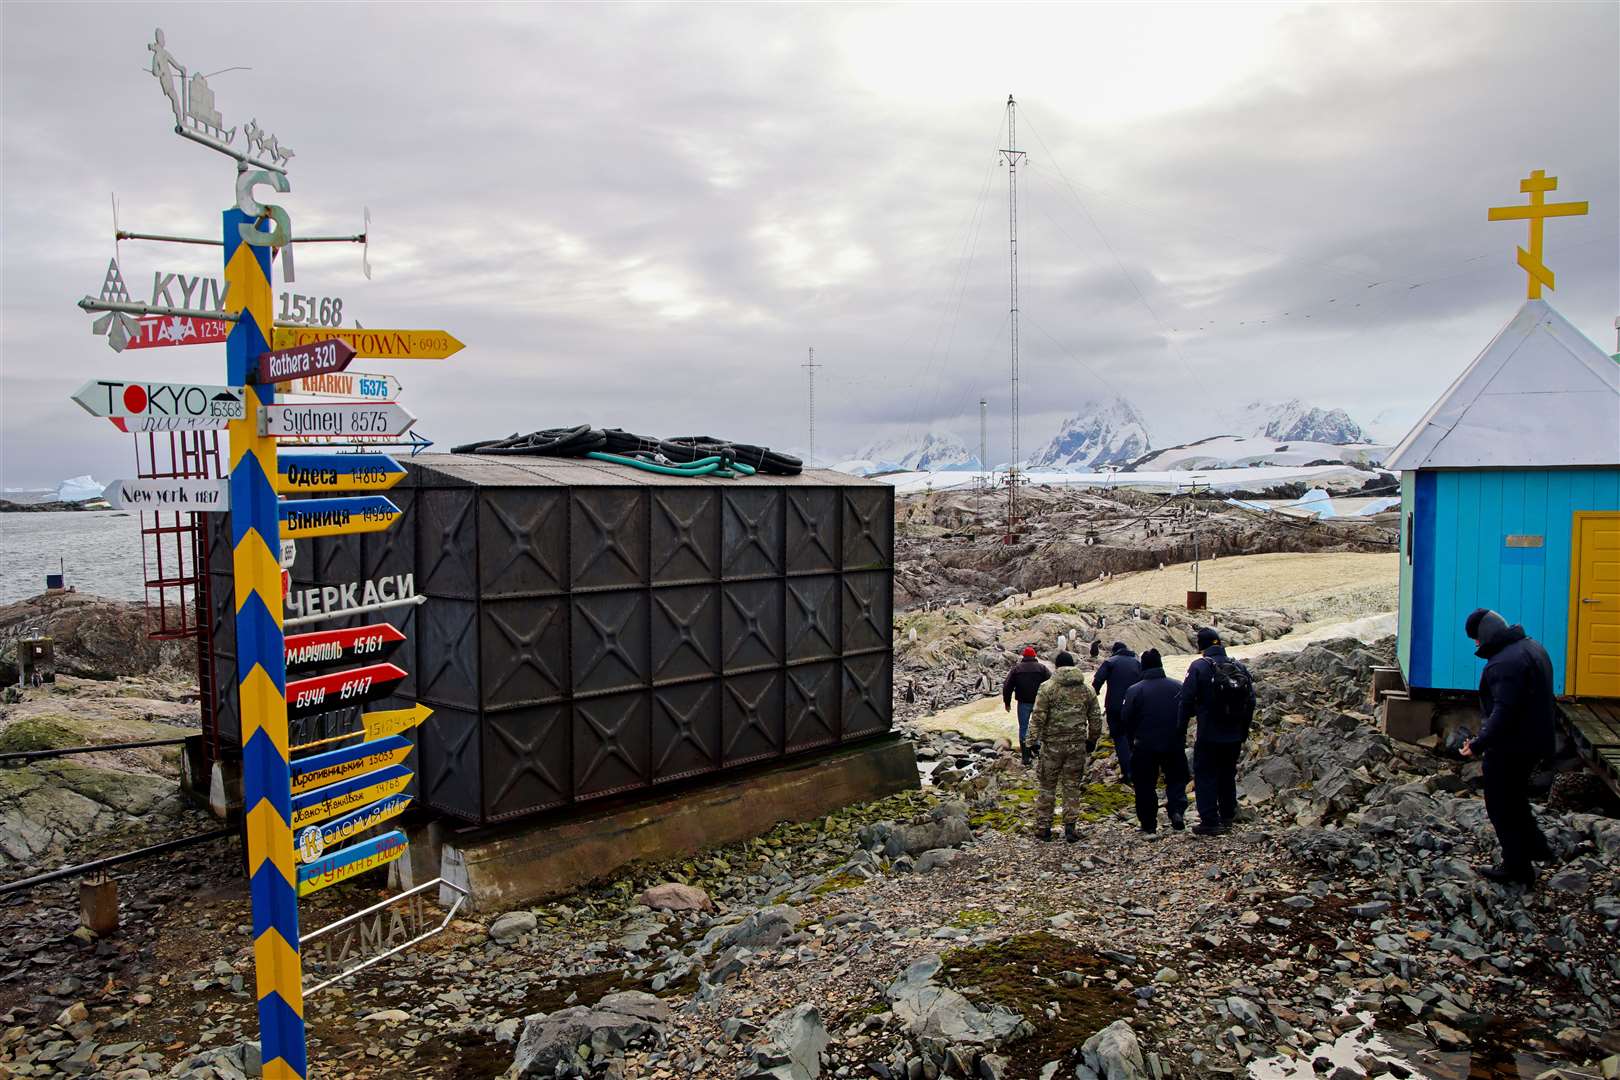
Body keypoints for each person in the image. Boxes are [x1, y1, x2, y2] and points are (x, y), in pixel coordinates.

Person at [1460, 608, 1556, 886]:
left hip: (1511, 747)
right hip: (1536, 740)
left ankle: (1517, 868)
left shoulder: (1503, 664)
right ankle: (1538, 848)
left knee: (1501, 806)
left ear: (1486, 634)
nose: (1476, 644)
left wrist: (1478, 744)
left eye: (1476, 638)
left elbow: (1504, 712)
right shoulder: (1532, 647)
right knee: (1516, 799)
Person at [1180, 627, 1254, 835]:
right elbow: (1251, 700)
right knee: (1227, 773)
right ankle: (1228, 815)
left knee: (1205, 774)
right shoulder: (1237, 665)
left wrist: (1181, 729)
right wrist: (1244, 729)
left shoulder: (1199, 666)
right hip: (1234, 733)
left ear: (1201, 646)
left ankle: (1210, 821)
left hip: (1209, 732)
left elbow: (1185, 701)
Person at [1027, 652, 1104, 842]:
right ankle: (1070, 828)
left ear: (1056, 666)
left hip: (1051, 746)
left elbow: (1038, 716)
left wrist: (1031, 742)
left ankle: (1043, 828)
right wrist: (1092, 740)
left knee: (1047, 787)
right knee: (1071, 786)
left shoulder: (1047, 688)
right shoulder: (1086, 690)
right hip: (1076, 745)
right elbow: (1095, 717)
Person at [1119, 648, 1189, 832]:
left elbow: (1126, 718)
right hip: (1173, 743)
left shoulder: (1134, 690)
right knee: (1176, 780)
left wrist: (1131, 741)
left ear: (1143, 666)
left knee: (1145, 785)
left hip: (1144, 745)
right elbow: (1186, 712)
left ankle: (1149, 823)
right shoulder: (1177, 686)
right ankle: (1177, 812)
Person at [1092, 641, 1143, 780]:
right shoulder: (1137, 663)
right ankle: (1139, 770)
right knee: (1132, 738)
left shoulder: (1110, 662)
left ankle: (1127, 772)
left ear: (1114, 651)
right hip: (1134, 707)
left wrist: (1094, 693)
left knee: (1119, 738)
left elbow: (1097, 680)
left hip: (1114, 706)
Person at [1002, 646, 1050, 766]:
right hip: (1039, 702)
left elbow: (1007, 686)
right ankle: (1037, 749)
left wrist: (1007, 702)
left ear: (1023, 656)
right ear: (1034, 656)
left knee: (1023, 727)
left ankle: (1025, 756)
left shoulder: (1017, 669)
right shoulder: (1042, 668)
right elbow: (1051, 683)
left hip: (1023, 703)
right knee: (1038, 725)